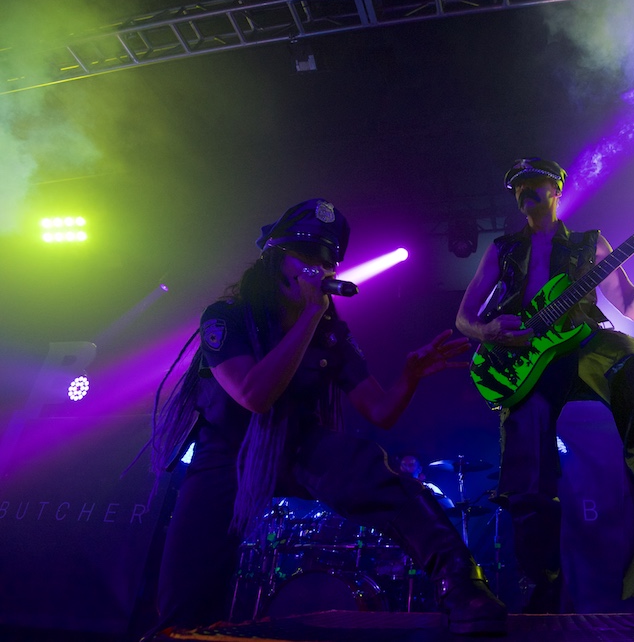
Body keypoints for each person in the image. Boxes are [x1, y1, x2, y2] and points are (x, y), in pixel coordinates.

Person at [148, 198, 506, 637]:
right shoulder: (227, 317)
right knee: (184, 597)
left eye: (328, 258)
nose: (319, 267)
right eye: (306, 255)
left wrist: (410, 376)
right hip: (225, 450)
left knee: (373, 472)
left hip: (297, 444)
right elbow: (253, 395)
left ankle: (462, 583)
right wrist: (311, 315)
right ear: (276, 259)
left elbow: (380, 411)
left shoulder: (331, 332)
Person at [454, 158, 634, 620]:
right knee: (528, 482)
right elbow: (463, 318)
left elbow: (631, 306)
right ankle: (543, 596)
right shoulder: (502, 249)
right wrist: (487, 333)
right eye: (518, 185)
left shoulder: (591, 244)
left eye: (537, 182)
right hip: (520, 360)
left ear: (557, 188)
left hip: (584, 344)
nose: (526, 189)